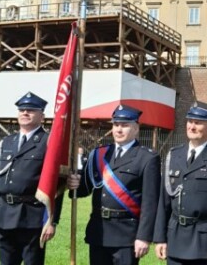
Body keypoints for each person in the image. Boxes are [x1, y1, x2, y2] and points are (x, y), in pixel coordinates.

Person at [67, 104, 161, 265]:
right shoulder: (99, 154)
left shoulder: (147, 158)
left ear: (136, 128)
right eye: (116, 125)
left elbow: (150, 203)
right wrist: (76, 183)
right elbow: (85, 189)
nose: (118, 129)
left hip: (126, 235)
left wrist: (143, 237)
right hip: (99, 231)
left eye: (124, 125)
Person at [0, 92, 63, 265]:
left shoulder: (48, 142)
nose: (25, 113)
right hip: (4, 214)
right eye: (22, 109)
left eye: (31, 110)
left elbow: (57, 186)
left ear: (42, 115)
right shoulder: (7, 142)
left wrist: (52, 221)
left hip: (31, 216)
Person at [154, 101, 207, 265]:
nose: (192, 127)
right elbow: (163, 202)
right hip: (175, 239)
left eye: (198, 123)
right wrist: (160, 237)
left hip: (203, 244)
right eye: (190, 121)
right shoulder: (174, 155)